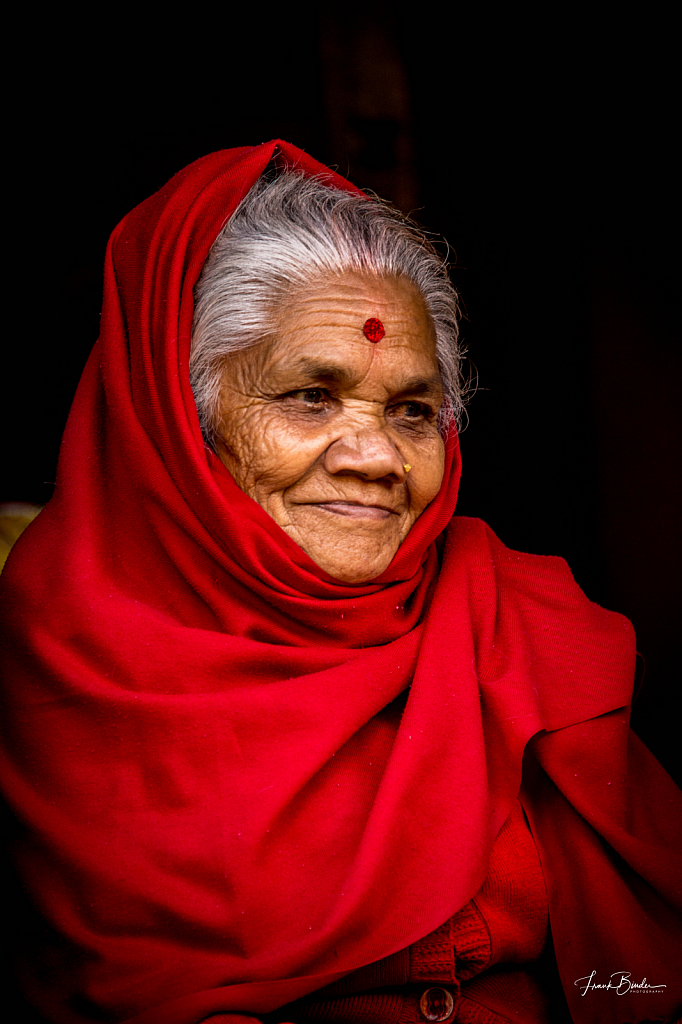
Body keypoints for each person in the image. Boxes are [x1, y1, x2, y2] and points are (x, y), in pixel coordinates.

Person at [0, 140, 680, 1024]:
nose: (376, 459)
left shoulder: (522, 623)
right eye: (308, 397)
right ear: (178, 418)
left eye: (412, 411)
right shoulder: (62, 671)